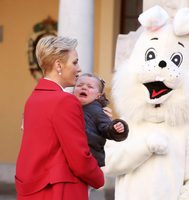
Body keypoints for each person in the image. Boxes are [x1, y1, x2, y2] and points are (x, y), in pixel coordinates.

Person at [15, 36, 104, 200]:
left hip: (33, 188)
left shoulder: (33, 99)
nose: (79, 68)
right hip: (58, 190)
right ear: (58, 65)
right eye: (75, 62)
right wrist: (99, 177)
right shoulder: (65, 100)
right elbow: (79, 157)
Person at [73, 73, 129, 167]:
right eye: (79, 85)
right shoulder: (69, 107)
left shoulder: (96, 110)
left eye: (90, 87)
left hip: (90, 157)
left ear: (98, 96)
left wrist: (115, 128)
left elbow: (106, 127)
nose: (84, 88)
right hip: (73, 154)